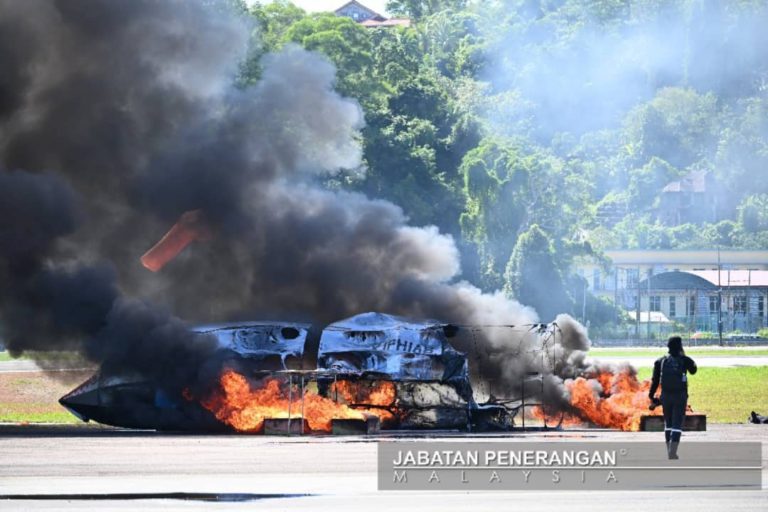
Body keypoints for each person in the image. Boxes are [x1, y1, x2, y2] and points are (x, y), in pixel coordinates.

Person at [648, 336, 697, 459]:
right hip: (680, 397)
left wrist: (651, 395)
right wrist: (684, 355)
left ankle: (669, 450)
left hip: (666, 396)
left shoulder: (661, 361)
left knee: (668, 424)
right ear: (680, 346)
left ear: (668, 347)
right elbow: (693, 370)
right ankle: (672, 452)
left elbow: (655, 381)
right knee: (677, 425)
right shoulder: (685, 360)